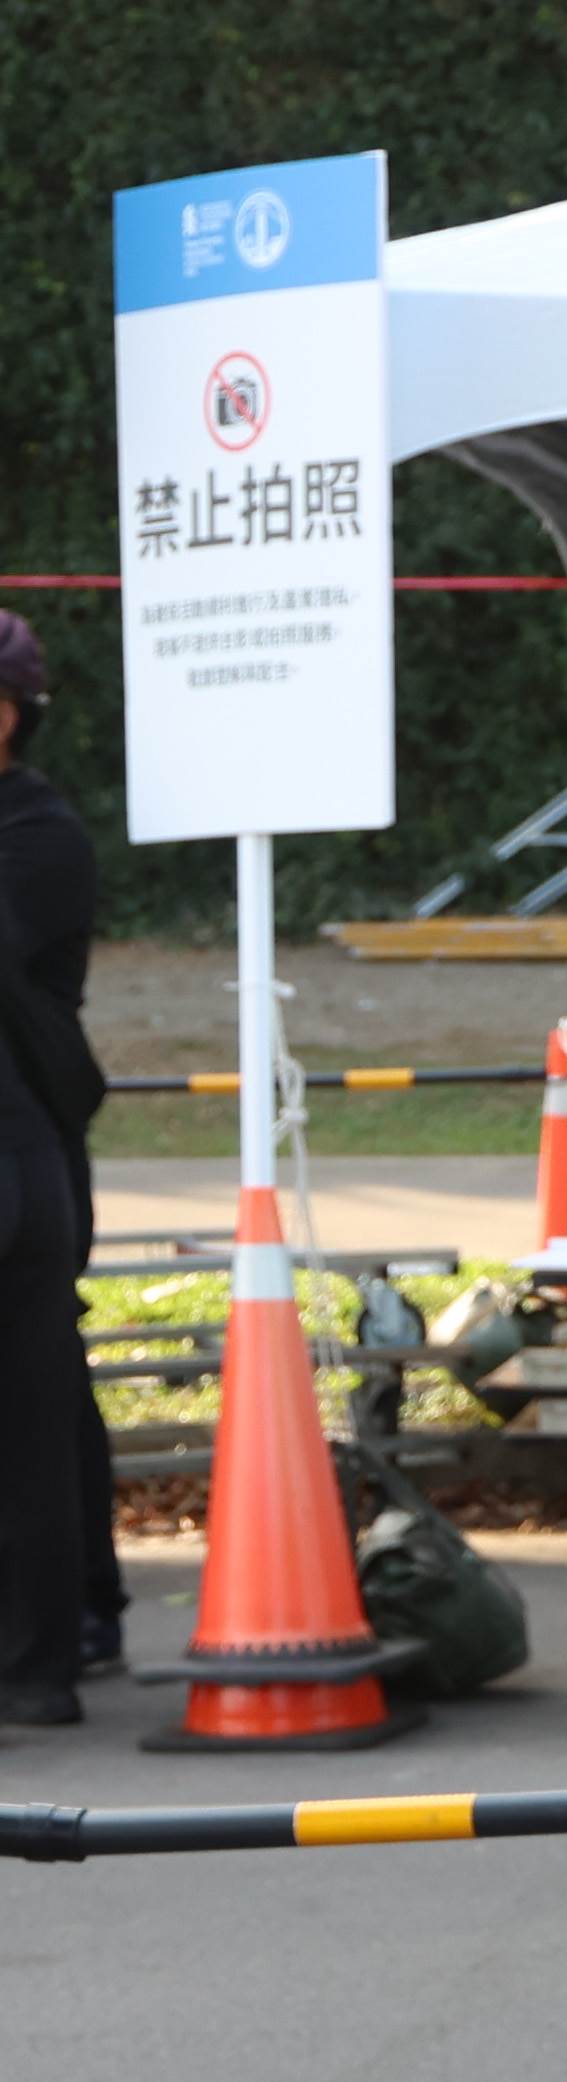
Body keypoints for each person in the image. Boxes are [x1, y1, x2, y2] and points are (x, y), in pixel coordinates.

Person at [0, 610, 112, 1727]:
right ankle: (69, 1618)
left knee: (33, 1405)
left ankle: (54, 1644)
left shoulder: (41, 836)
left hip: (27, 1147)